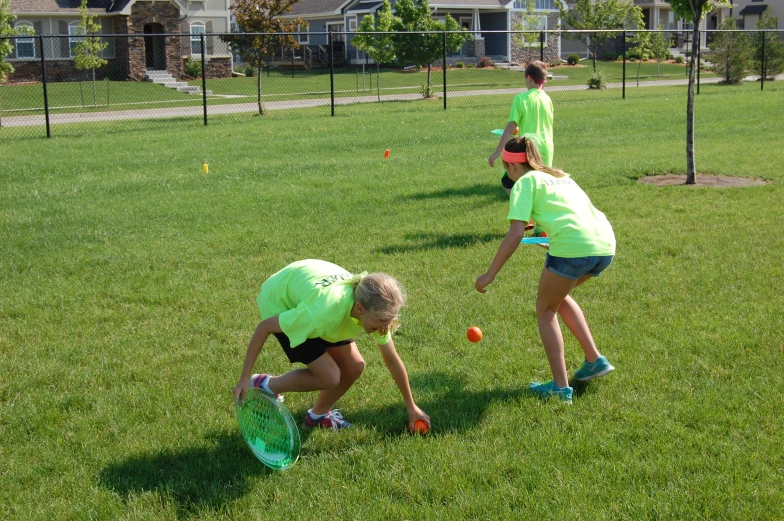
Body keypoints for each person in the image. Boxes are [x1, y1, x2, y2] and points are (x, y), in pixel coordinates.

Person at [475, 137, 616, 403]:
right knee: (558, 298)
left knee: (545, 309)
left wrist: (489, 274)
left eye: (506, 169)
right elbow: (574, 214)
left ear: (513, 167)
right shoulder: (561, 176)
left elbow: (516, 233)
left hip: (574, 248)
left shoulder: (524, 183)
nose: (508, 174)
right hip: (605, 245)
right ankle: (594, 360)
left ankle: (560, 389)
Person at [233, 259, 430, 431]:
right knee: (330, 376)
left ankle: (317, 417)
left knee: (354, 366)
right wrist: (243, 378)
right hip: (281, 302)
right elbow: (264, 328)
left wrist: (411, 406)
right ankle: (262, 384)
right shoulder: (321, 313)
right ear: (360, 309)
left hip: (311, 294)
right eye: (381, 322)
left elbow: (392, 360)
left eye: (389, 320)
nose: (384, 328)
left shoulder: (375, 311)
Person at [488, 61, 555, 196]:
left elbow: (510, 128)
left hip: (528, 148)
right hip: (547, 147)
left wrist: (497, 152)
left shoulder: (521, 99)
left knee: (507, 179)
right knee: (540, 185)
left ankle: (520, 207)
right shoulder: (547, 99)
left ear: (529, 78)